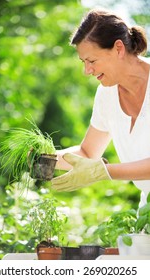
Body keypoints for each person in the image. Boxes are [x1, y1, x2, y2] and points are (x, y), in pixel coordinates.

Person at [51, 9, 150, 208]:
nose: (87, 71)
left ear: (119, 49)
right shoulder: (106, 95)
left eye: (92, 61)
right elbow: (88, 153)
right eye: (84, 62)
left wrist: (105, 172)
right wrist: (46, 158)